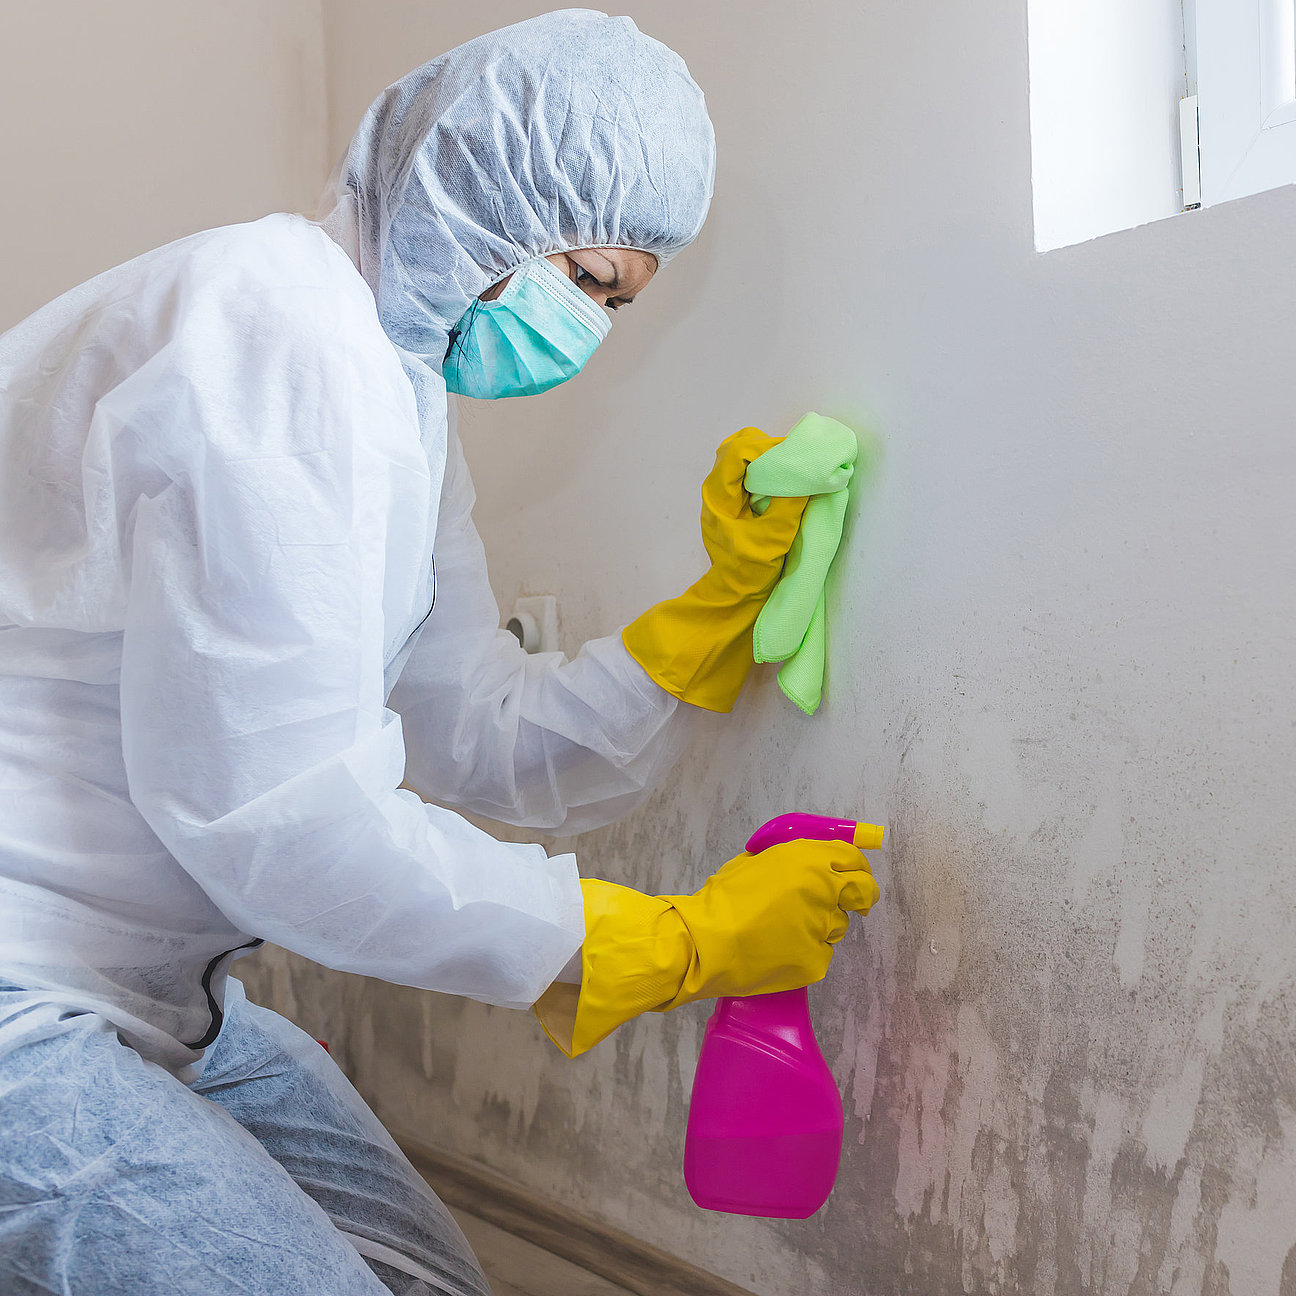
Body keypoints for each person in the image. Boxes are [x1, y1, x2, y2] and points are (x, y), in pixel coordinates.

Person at [0, 11, 879, 1294]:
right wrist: (668, 943)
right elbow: (282, 824)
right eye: (586, 284)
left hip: (158, 996)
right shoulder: (276, 329)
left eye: (616, 311)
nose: (586, 337)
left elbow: (479, 732)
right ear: (487, 189)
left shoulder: (396, 392)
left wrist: (718, 611)